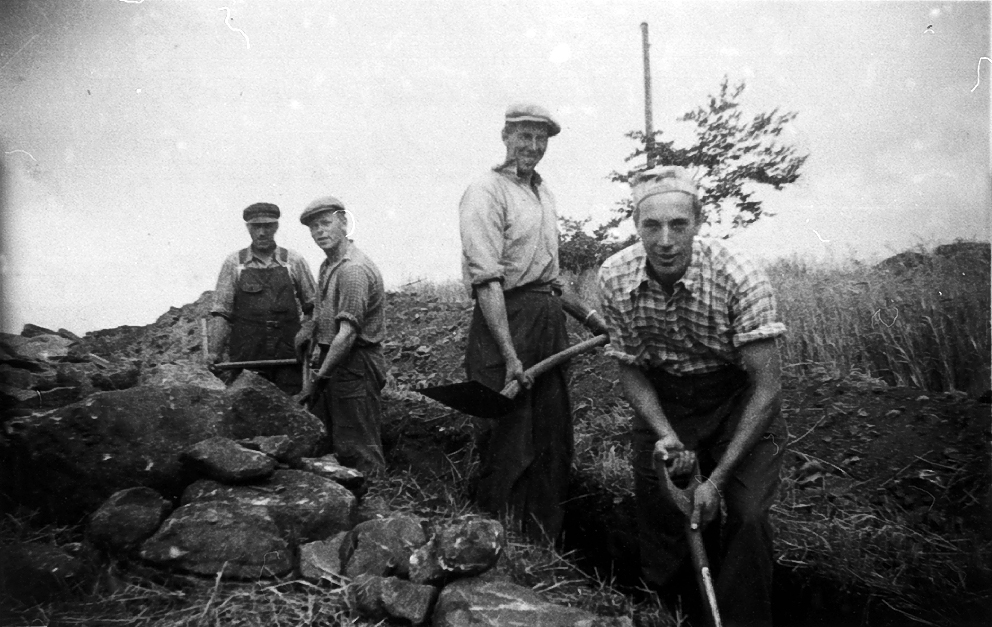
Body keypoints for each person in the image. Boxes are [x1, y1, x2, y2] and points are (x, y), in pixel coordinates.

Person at [597, 166, 786, 627]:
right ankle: (669, 615)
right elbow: (630, 367)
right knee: (663, 515)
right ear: (636, 225)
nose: (665, 240)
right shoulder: (614, 276)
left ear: (698, 222)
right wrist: (666, 435)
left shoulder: (739, 275)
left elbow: (767, 388)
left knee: (746, 515)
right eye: (651, 226)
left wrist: (715, 482)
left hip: (737, 400)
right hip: (666, 400)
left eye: (678, 225)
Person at [459, 103, 607, 542]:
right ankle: (501, 544)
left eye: (541, 138)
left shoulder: (544, 194)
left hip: (547, 322)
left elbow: (552, 280)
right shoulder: (486, 191)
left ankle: (544, 545)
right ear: (505, 135)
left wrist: (595, 320)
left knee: (551, 436)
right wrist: (509, 354)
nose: (533, 146)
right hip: (504, 321)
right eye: (525, 136)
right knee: (508, 439)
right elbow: (487, 281)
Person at [295, 196, 387, 476]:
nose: (319, 232)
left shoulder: (352, 270)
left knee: (359, 445)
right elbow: (321, 313)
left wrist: (319, 380)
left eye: (326, 223)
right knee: (337, 440)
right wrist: (309, 331)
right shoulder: (328, 266)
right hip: (335, 360)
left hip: (355, 363)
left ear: (344, 223)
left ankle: (377, 496)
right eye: (314, 227)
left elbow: (346, 335)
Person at [208, 202, 316, 395]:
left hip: (288, 358)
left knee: (290, 406)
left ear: (276, 226)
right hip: (247, 357)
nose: (262, 233)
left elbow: (314, 307)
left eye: (267, 226)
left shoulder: (294, 261)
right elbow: (222, 313)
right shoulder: (234, 264)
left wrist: (307, 338)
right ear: (248, 228)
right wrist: (214, 352)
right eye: (256, 227)